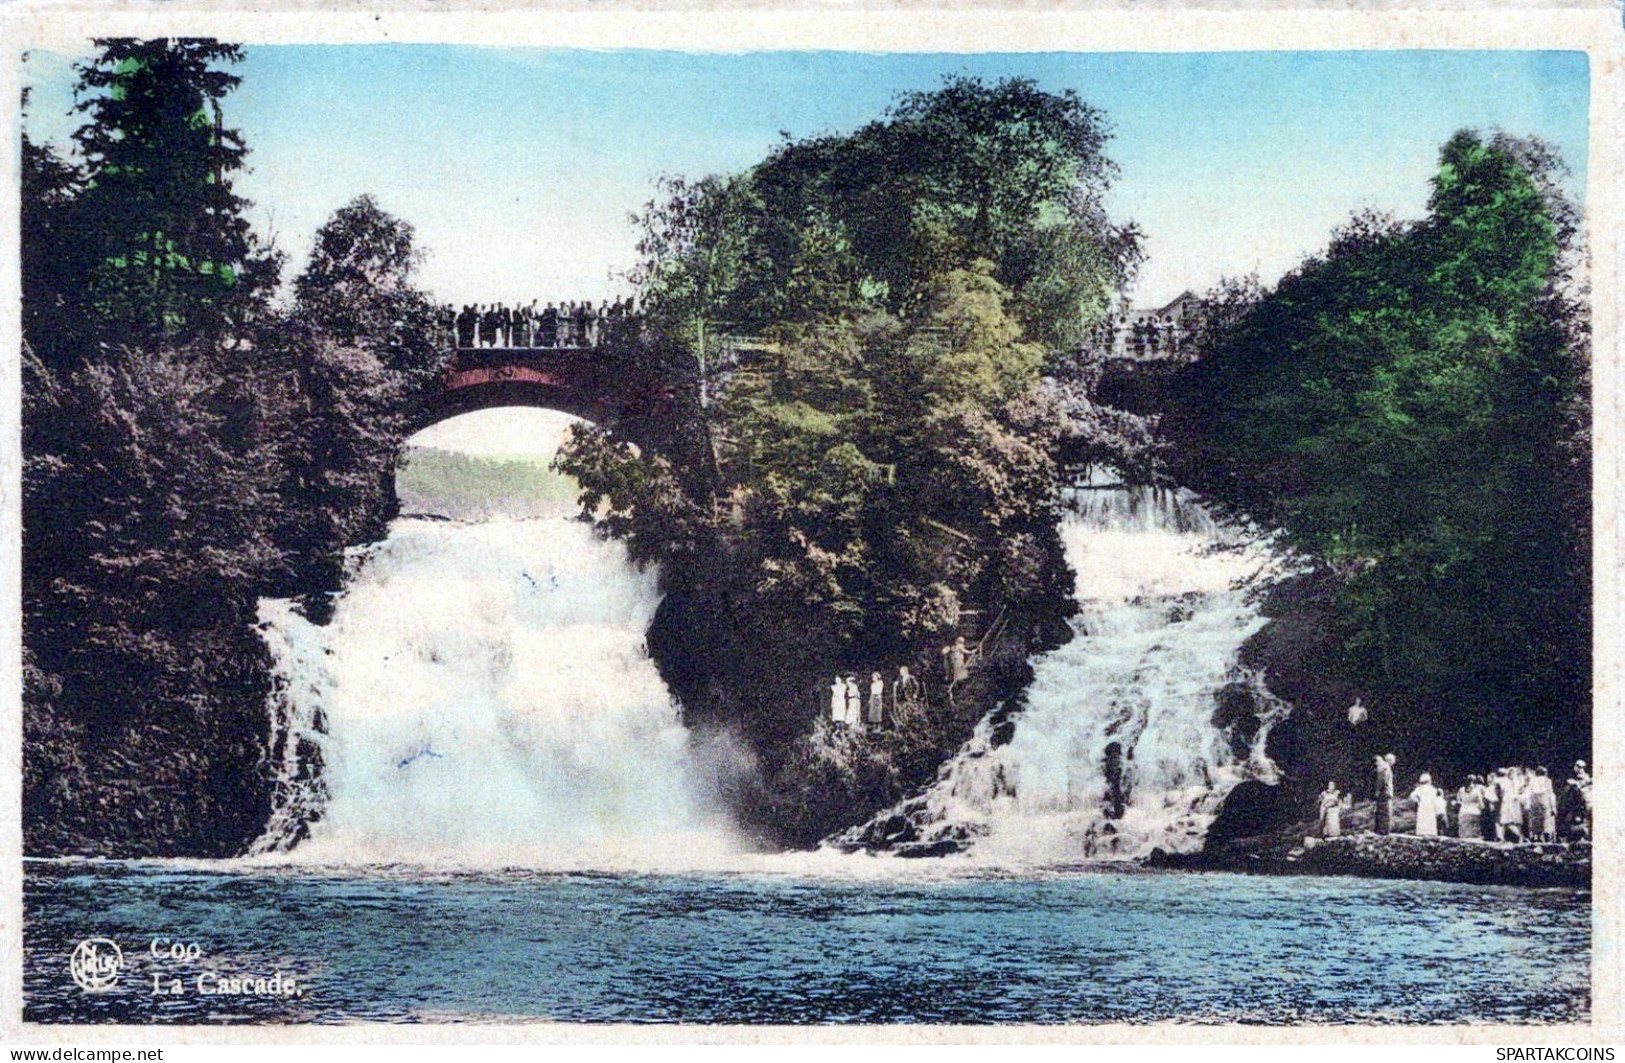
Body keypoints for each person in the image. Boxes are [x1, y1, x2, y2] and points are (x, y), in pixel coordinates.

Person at [1529, 766, 1557, 843]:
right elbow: (1550, 793)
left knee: (1536, 819)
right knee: (1546, 819)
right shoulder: (1547, 781)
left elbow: (1530, 792)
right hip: (1544, 799)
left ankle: (1536, 837)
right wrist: (1553, 807)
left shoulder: (1532, 780)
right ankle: (1547, 837)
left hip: (1534, 800)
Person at [1410, 773, 1444, 837]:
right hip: (1430, 806)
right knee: (1430, 819)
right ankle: (1430, 833)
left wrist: (1418, 801)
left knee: (1422, 819)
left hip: (1422, 805)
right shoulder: (1433, 789)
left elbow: (1412, 796)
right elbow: (1436, 799)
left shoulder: (1419, 789)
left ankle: (1421, 832)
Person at [1496, 768, 1523, 843]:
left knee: (1517, 820)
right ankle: (1502, 837)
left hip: (1514, 801)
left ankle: (1519, 837)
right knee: (1505, 820)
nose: (1512, 775)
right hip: (1507, 801)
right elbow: (1501, 792)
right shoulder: (1504, 782)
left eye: (1513, 774)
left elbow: (1519, 791)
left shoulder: (1517, 782)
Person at [1373, 753, 1395, 835]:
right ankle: (1384, 830)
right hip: (1385, 792)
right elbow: (1383, 781)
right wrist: (1381, 790)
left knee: (1382, 811)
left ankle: (1381, 830)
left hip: (1384, 792)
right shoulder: (1385, 768)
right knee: (1385, 812)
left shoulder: (1384, 768)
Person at [942, 636, 970, 701]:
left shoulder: (955, 648)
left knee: (959, 675)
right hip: (956, 664)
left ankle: (958, 687)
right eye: (960, 642)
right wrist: (971, 651)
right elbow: (964, 651)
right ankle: (955, 687)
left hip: (958, 663)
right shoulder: (957, 647)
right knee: (958, 674)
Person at [1456, 776, 1484, 841]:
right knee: (1475, 834)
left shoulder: (1461, 790)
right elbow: (1482, 805)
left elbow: (1458, 801)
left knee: (1463, 833)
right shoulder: (1476, 791)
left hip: (1463, 812)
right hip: (1475, 812)